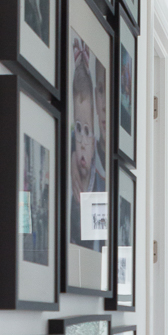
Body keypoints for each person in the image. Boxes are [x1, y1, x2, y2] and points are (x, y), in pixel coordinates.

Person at [70, 46, 104, 248]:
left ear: (95, 140)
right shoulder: (70, 172)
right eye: (79, 130)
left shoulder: (100, 184)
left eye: (88, 131)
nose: (82, 141)